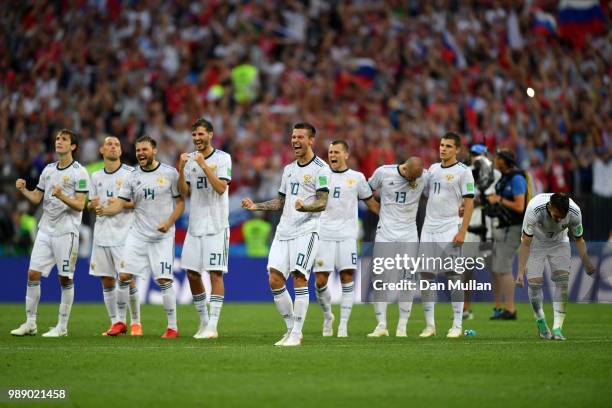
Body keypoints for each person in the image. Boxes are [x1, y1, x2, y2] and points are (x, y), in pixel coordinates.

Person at [242, 122, 330, 347]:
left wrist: (306, 208)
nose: (295, 141)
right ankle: (291, 329)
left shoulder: (321, 168)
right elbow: (281, 201)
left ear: (311, 140)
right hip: (284, 231)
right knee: (274, 279)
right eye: (293, 137)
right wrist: (256, 207)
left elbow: (322, 201)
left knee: (299, 278)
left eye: (301, 137)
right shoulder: (288, 169)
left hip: (306, 230)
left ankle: (298, 333)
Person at [99, 136, 185, 338]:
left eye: (144, 149)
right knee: (124, 276)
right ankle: (120, 322)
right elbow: (121, 204)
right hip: (137, 235)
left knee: (164, 280)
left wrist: (169, 222)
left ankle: (172, 327)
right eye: (138, 150)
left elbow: (181, 203)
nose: (141, 153)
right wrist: (103, 209)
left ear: (154, 151)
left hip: (162, 236)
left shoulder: (169, 173)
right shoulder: (132, 176)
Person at [11, 129, 90, 337]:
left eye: (64, 139)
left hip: (67, 232)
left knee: (65, 278)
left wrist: (62, 195)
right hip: (45, 230)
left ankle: (62, 327)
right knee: (32, 273)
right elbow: (37, 197)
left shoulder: (79, 172)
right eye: (57, 138)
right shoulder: (48, 170)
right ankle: (30, 323)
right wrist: (24, 190)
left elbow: (80, 205)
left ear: (73, 146)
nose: (59, 142)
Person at [313, 140, 379, 337]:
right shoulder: (321, 175)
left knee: (347, 277)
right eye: (330, 152)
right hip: (324, 233)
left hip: (348, 235)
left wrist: (392, 217)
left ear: (346, 155)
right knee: (320, 280)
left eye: (336, 152)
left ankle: (343, 326)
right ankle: (327, 316)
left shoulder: (357, 178)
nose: (332, 155)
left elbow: (372, 205)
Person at [178, 118, 232, 339]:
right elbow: (183, 193)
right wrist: (181, 169)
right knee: (192, 273)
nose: (197, 138)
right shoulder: (189, 160)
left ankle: (213, 325)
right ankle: (203, 322)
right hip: (195, 225)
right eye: (194, 135)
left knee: (215, 274)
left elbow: (221, 188)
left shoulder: (222, 158)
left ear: (210, 134)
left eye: (201, 134)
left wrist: (203, 165)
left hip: (216, 225)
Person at [517, 193, 596, 340]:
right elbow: (526, 242)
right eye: (556, 216)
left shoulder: (575, 212)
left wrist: (586, 262)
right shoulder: (534, 208)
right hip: (536, 242)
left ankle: (558, 328)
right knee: (534, 284)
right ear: (549, 207)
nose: (559, 219)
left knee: (563, 281)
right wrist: (520, 272)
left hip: (559, 242)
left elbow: (579, 239)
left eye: (562, 217)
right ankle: (540, 319)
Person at [419, 132, 474, 338]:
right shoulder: (432, 169)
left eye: (449, 146)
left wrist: (462, 230)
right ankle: (430, 326)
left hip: (450, 227)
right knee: (425, 275)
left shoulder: (463, 172)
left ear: (457, 149)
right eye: (442, 145)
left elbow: (469, 203)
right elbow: (426, 194)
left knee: (453, 276)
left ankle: (457, 325)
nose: (443, 149)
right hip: (429, 228)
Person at [366, 157, 427, 337]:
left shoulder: (424, 177)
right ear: (405, 169)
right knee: (379, 277)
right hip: (385, 233)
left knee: (407, 279)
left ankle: (402, 326)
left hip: (408, 234)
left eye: (417, 178)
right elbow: (365, 190)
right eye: (411, 178)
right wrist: (376, 208)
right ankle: (381, 325)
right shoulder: (383, 172)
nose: (414, 182)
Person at [87, 136, 142, 336]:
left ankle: (136, 322)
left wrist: (119, 204)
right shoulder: (94, 177)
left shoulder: (131, 174)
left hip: (125, 234)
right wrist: (91, 205)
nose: (113, 147)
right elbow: (89, 203)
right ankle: (116, 322)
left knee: (127, 278)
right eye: (109, 144)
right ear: (102, 150)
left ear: (120, 151)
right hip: (102, 234)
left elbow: (139, 203)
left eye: (117, 144)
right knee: (107, 280)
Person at [485, 149, 529, 320]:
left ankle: (510, 309)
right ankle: (504, 307)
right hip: (502, 226)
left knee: (503, 268)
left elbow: (519, 206)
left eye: (498, 158)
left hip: (513, 227)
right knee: (497, 268)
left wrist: (499, 200)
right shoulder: (504, 177)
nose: (495, 160)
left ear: (505, 160)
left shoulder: (517, 178)